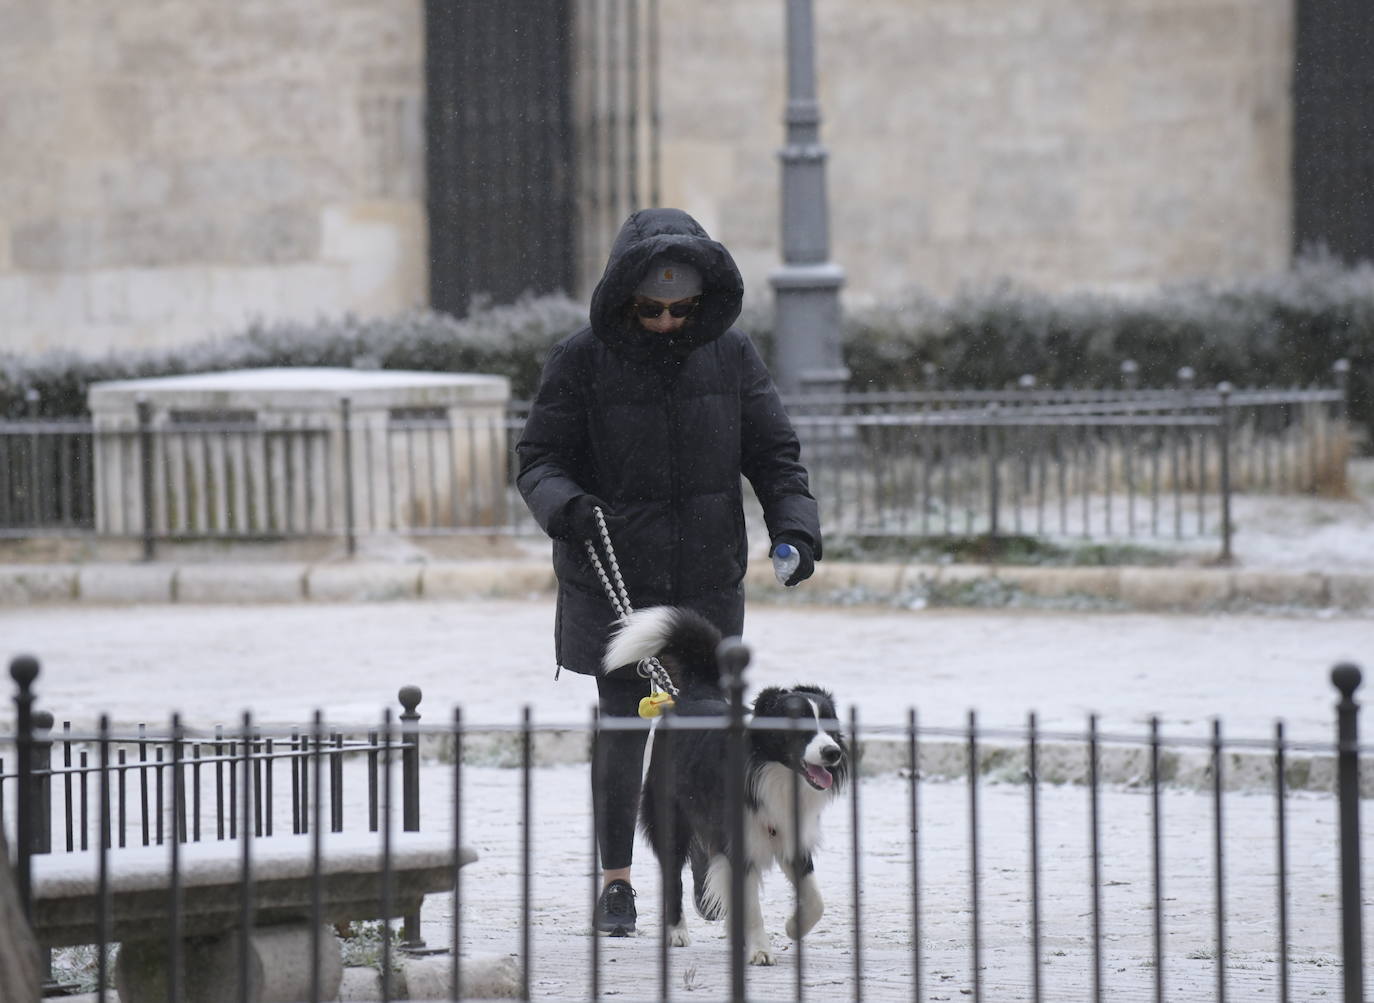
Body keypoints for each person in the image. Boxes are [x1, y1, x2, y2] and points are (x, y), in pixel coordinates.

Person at [516, 207, 822, 936]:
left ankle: (701, 866)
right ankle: (617, 880)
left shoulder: (733, 356)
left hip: (706, 584)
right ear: (626, 297)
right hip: (612, 579)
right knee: (624, 733)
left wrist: (796, 530)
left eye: (680, 310)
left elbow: (776, 454)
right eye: (650, 309)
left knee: (706, 736)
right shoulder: (580, 358)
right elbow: (538, 459)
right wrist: (567, 504)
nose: (664, 322)